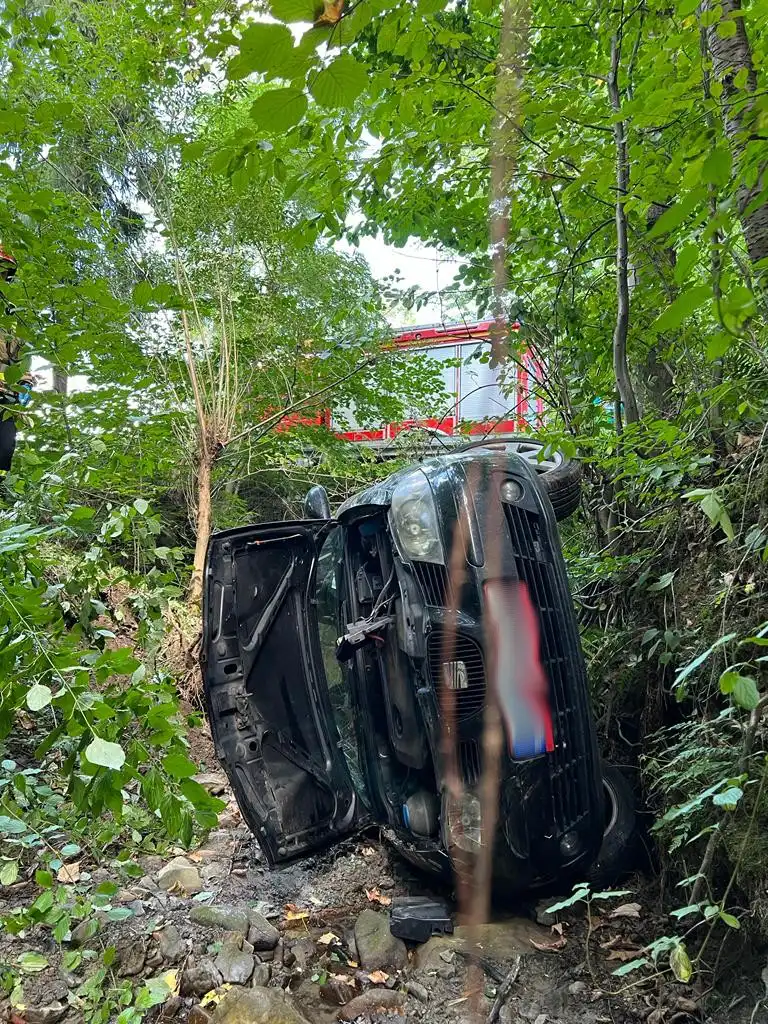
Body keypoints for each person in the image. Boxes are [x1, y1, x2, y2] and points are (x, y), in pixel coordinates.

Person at [0, 247, 33, 474]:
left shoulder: (12, 319)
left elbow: (20, 361)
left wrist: (25, 384)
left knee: (4, 451)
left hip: (6, 401)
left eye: (4, 271)